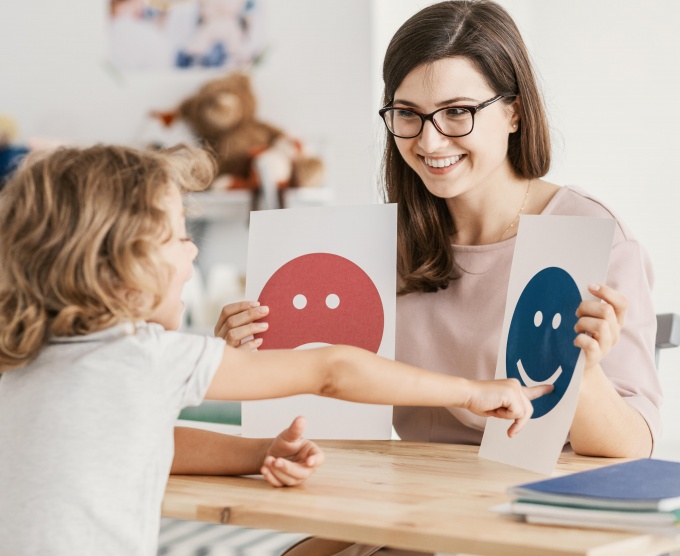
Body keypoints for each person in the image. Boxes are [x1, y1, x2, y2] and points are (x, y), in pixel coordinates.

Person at [219, 1, 662, 553]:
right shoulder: (377, 246)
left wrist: (586, 372)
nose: (429, 142)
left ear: (515, 112)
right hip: (412, 509)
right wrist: (243, 357)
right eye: (407, 113)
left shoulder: (589, 234)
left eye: (457, 112)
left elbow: (631, 450)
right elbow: (328, 394)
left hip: (532, 520)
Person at [0, 143, 549, 556]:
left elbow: (141, 438)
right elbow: (333, 368)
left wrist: (256, 453)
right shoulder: (144, 356)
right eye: (175, 235)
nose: (191, 250)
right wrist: (472, 391)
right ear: (118, 266)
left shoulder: (24, 363)